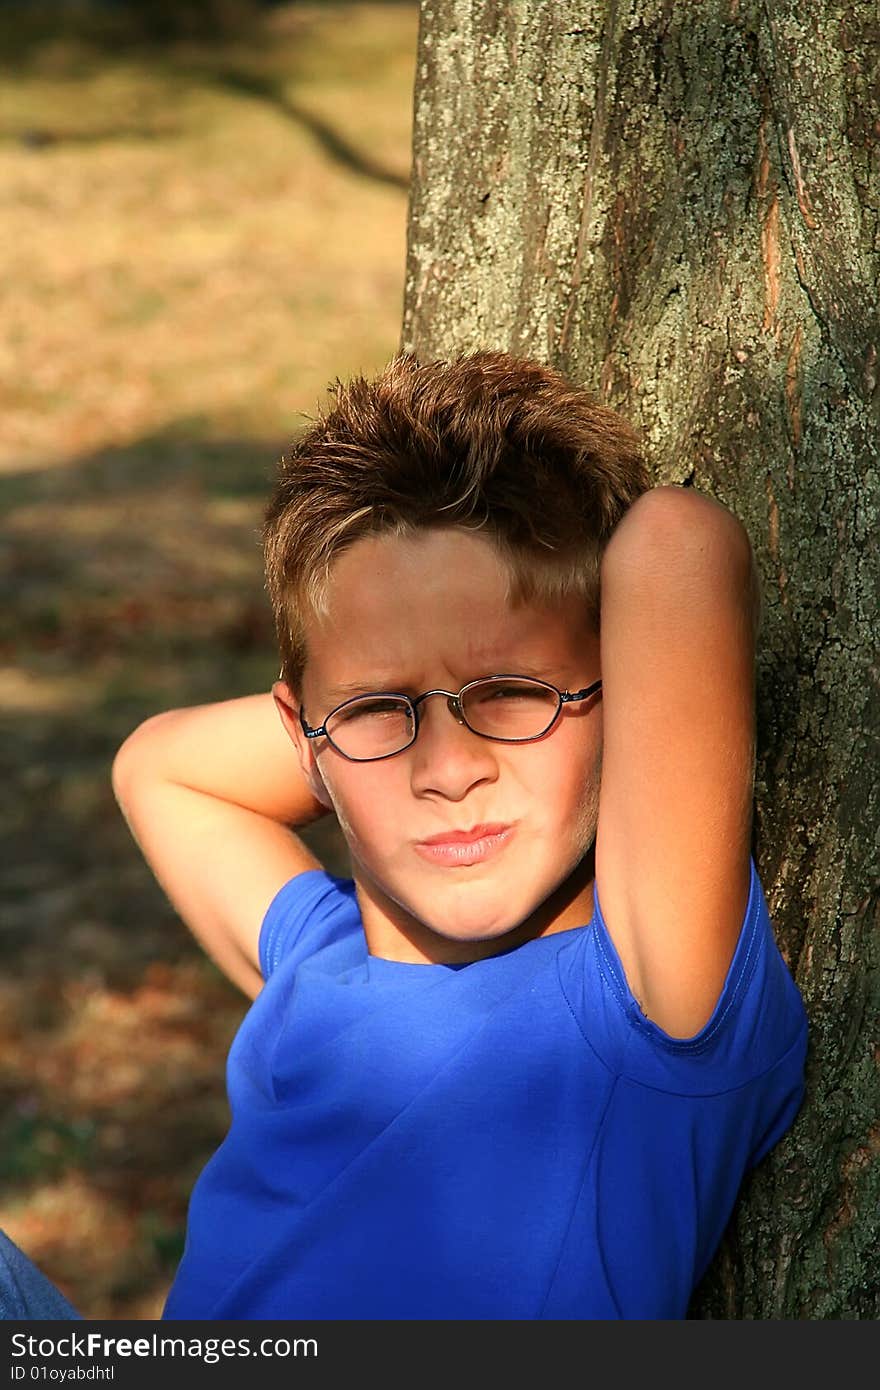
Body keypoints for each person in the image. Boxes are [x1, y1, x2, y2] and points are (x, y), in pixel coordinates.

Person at [3, 350, 808, 1320]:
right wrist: (350, 716)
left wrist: (376, 697)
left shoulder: (645, 999)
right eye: (384, 715)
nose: (447, 769)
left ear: (623, 700)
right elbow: (154, 763)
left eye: (512, 694)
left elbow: (675, 543)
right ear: (304, 733)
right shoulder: (313, 954)